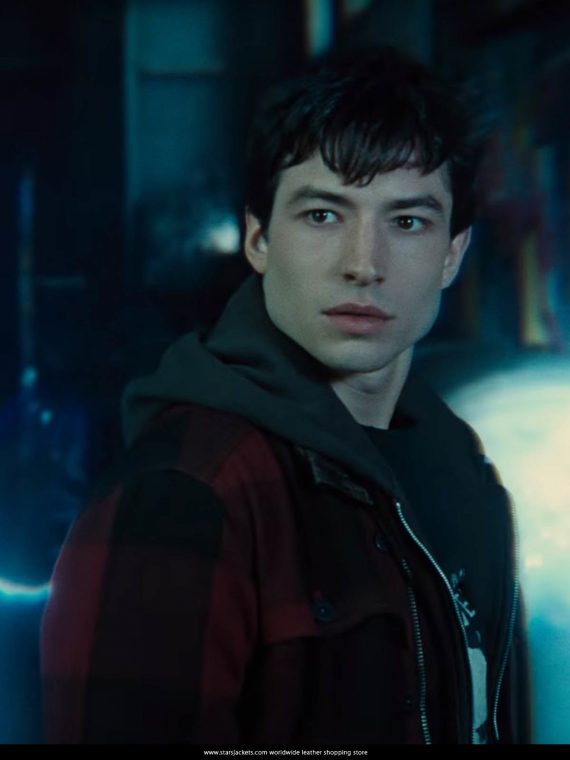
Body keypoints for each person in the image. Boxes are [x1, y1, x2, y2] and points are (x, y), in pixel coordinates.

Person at [41, 48, 531, 745]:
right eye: (323, 215)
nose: (364, 264)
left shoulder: (460, 469)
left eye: (407, 222)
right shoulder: (185, 492)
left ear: (452, 254)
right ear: (258, 239)